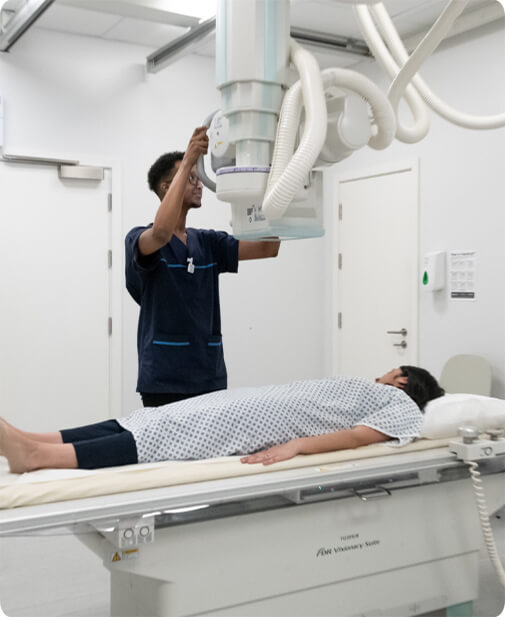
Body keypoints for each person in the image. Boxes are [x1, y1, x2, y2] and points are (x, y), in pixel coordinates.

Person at [0, 366, 444, 474]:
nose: (381, 374)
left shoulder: (401, 405)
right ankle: (36, 439)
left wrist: (297, 446)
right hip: (254, 403)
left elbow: (357, 437)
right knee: (156, 418)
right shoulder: (373, 391)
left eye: (389, 371)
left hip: (261, 419)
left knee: (169, 433)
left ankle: (37, 456)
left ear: (403, 380)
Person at [125, 127, 280, 408]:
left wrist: (272, 186)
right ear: (166, 187)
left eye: (198, 177)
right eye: (191, 178)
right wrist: (188, 160)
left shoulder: (208, 242)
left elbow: (267, 248)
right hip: (164, 378)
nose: (199, 185)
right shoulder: (139, 238)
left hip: (209, 375)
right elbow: (161, 234)